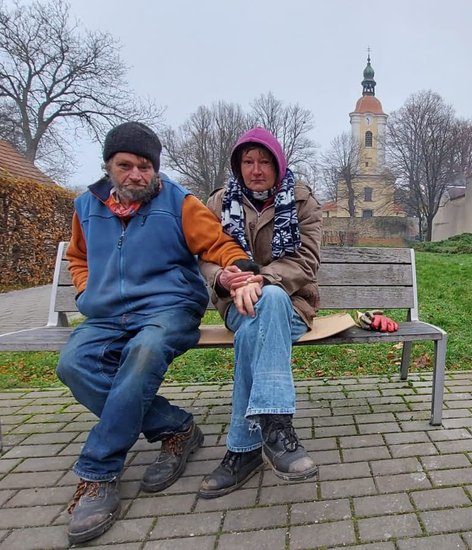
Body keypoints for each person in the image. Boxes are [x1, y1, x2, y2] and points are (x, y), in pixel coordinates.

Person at [55, 121, 255, 545]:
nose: (135, 175)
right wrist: (86, 290)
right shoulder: (86, 207)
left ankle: (99, 472)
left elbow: (219, 244)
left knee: (142, 354)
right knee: (73, 364)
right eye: (125, 165)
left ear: (155, 169)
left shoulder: (177, 202)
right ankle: (176, 428)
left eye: (144, 166)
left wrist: (240, 270)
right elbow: (77, 256)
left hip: (169, 308)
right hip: (107, 314)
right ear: (109, 166)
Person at [197, 127, 323, 499]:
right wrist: (223, 278)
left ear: (278, 164)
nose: (256, 169)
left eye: (264, 161)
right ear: (238, 165)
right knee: (256, 317)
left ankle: (242, 450)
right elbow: (203, 256)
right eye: (248, 161)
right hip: (237, 304)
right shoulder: (219, 202)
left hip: (292, 304)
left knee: (267, 304)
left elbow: (306, 260)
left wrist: (261, 280)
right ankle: (277, 430)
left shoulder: (302, 201)